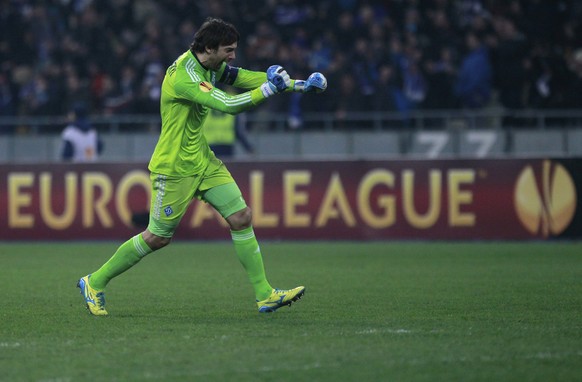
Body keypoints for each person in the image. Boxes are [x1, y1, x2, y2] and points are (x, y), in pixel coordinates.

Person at [77, 17, 327, 316]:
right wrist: (271, 90)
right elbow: (228, 104)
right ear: (209, 48)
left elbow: (242, 77)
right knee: (157, 237)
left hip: (203, 160)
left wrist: (298, 85)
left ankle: (265, 294)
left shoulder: (208, 64)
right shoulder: (184, 76)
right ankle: (94, 281)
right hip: (174, 167)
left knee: (241, 217)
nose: (232, 56)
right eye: (229, 50)